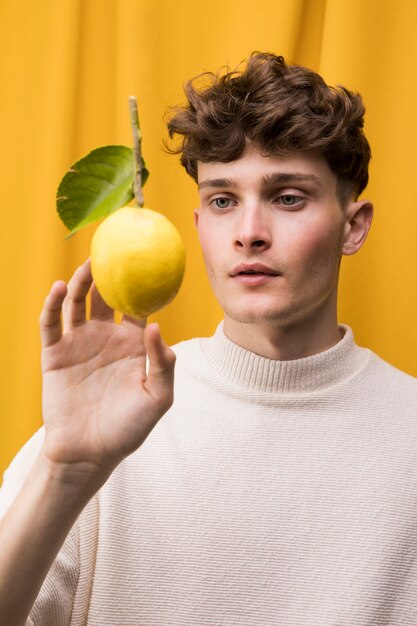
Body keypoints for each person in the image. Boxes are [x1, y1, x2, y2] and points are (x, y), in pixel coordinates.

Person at [1, 51, 417, 626]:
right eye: (223, 201)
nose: (248, 234)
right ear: (199, 225)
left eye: (288, 197)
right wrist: (66, 471)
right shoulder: (109, 412)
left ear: (354, 225)